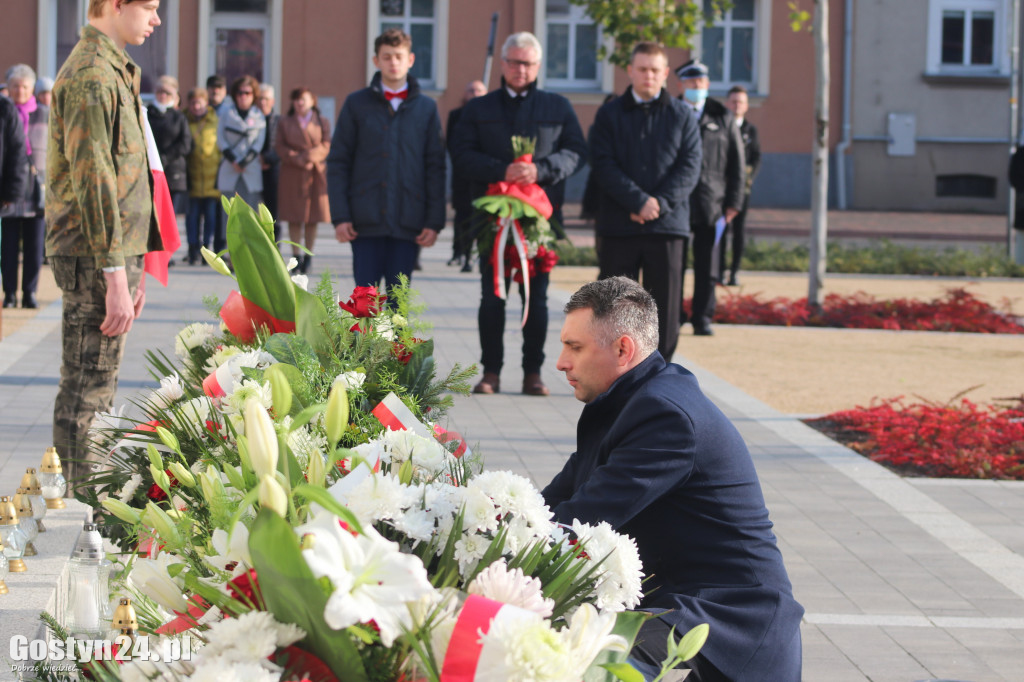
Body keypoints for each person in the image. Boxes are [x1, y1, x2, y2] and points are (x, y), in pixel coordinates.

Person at [543, 276, 804, 682]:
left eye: (574, 347)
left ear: (624, 348)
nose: (561, 362)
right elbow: (555, 505)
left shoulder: (664, 416)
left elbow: (584, 519)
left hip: (733, 622)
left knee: (592, 661)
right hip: (680, 604)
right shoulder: (625, 402)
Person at [46, 0, 164, 491]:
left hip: (109, 255)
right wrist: (116, 275)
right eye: (150, 8)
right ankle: (76, 509)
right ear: (117, 6)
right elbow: (95, 180)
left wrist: (133, 265)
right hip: (95, 257)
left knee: (99, 381)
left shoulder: (112, 68)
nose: (155, 20)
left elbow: (125, 174)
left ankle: (83, 504)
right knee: (86, 390)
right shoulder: (92, 76)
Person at [452, 32, 587, 397]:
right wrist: (501, 170)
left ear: (538, 66)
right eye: (513, 62)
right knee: (492, 297)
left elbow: (576, 152)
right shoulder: (479, 109)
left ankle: (533, 372)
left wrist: (541, 170)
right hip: (491, 221)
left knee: (536, 299)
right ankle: (490, 371)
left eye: (527, 63)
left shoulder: (556, 106)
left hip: (537, 223)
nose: (520, 69)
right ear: (503, 64)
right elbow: (461, 153)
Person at [588, 42, 702, 360]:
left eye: (655, 70)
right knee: (614, 306)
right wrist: (636, 201)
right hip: (619, 225)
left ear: (665, 73)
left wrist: (658, 205)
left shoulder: (682, 115)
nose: (648, 75)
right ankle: (614, 373)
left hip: (667, 227)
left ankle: (658, 374)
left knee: (664, 308)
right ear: (630, 71)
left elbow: (690, 167)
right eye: (642, 69)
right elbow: (602, 162)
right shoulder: (609, 114)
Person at [327, 28, 445, 291]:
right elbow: (338, 162)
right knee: (364, 303)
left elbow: (435, 166)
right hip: (364, 221)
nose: (393, 62)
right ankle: (363, 335)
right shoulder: (356, 104)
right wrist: (340, 216)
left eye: (399, 56)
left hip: (408, 222)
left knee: (397, 308)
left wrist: (434, 221)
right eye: (387, 56)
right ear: (376, 61)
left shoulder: (426, 108)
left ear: (410, 60)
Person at [675, 59, 744, 336]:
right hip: (676, 201)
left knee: (708, 265)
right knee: (673, 264)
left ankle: (702, 317)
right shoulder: (671, 111)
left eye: (701, 82)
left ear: (708, 84)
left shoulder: (722, 116)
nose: (696, 86)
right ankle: (673, 315)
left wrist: (734, 203)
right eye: (691, 82)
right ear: (681, 84)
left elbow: (737, 165)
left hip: (711, 203)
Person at [2, 63, 48, 309]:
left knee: (34, 245)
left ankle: (30, 292)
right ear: (8, 88)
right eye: (15, 86)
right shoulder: (3, 112)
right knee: (8, 246)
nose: (20, 91)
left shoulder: (45, 113)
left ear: (32, 88)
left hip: (38, 187)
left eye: (25, 86)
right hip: (10, 187)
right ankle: (9, 293)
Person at [276, 86, 330, 275]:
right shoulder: (284, 122)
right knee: (293, 217)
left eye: (303, 99)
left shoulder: (321, 122)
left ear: (312, 101)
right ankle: (295, 255)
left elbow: (326, 145)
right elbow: (280, 146)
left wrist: (310, 157)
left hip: (314, 173)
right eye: (297, 100)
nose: (300, 103)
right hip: (292, 173)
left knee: (311, 218)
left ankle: (309, 255)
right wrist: (296, 158)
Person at [445, 79, 487, 272]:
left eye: (479, 90)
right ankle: (458, 252)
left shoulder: (490, 115)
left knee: (480, 217)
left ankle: (475, 255)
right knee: (462, 216)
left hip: (484, 176)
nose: (475, 94)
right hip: (462, 175)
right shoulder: (456, 115)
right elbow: (451, 144)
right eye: (471, 90)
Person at [720, 85, 760, 287]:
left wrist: (746, 177)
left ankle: (734, 272)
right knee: (719, 230)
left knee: (738, 231)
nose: (737, 106)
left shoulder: (750, 130)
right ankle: (718, 271)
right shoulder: (721, 126)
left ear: (746, 106)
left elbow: (756, 157)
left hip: (741, 190)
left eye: (741, 102)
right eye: (734, 101)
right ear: (727, 103)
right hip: (720, 189)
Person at [216, 75, 266, 216]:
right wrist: (234, 161)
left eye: (247, 93)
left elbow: (259, 142)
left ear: (253, 95)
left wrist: (244, 162)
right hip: (230, 167)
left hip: (250, 168)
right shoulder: (226, 113)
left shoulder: (259, 115)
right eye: (240, 92)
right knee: (229, 215)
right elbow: (221, 139)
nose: (243, 96)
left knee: (251, 214)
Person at [184, 87, 220, 264]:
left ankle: (207, 251)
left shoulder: (215, 121)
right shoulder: (184, 120)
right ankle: (193, 249)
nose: (196, 106)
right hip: (192, 176)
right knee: (192, 217)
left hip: (212, 177)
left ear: (206, 103)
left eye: (200, 102)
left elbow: (219, 145)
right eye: (193, 103)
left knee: (211, 217)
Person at [147, 75, 191, 218]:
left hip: (173, 172)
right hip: (150, 168)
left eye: (167, 93)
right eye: (160, 91)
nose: (163, 95)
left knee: (169, 215)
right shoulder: (147, 113)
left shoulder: (179, 117)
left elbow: (185, 144)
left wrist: (165, 158)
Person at [258, 82, 281, 242]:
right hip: (253, 169)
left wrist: (267, 159)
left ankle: (274, 244)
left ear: (272, 101)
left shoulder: (279, 121)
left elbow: (281, 146)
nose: (262, 102)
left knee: (273, 212)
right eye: (259, 98)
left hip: (273, 170)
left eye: (266, 99)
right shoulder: (252, 119)